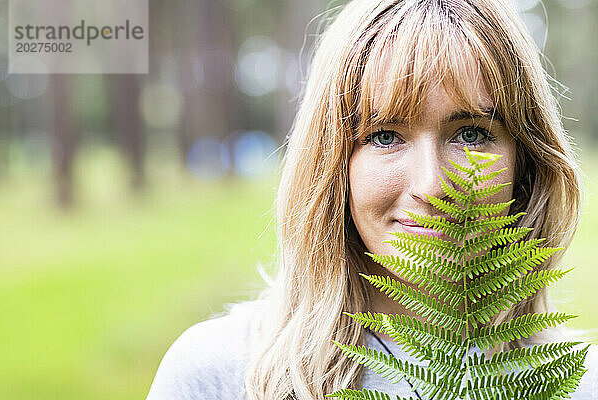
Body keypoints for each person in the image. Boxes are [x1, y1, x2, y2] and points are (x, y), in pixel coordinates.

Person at [146, 1, 597, 399]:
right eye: (385, 136)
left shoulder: (579, 385)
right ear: (332, 165)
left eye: (471, 133)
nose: (432, 184)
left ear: (527, 163)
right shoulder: (220, 375)